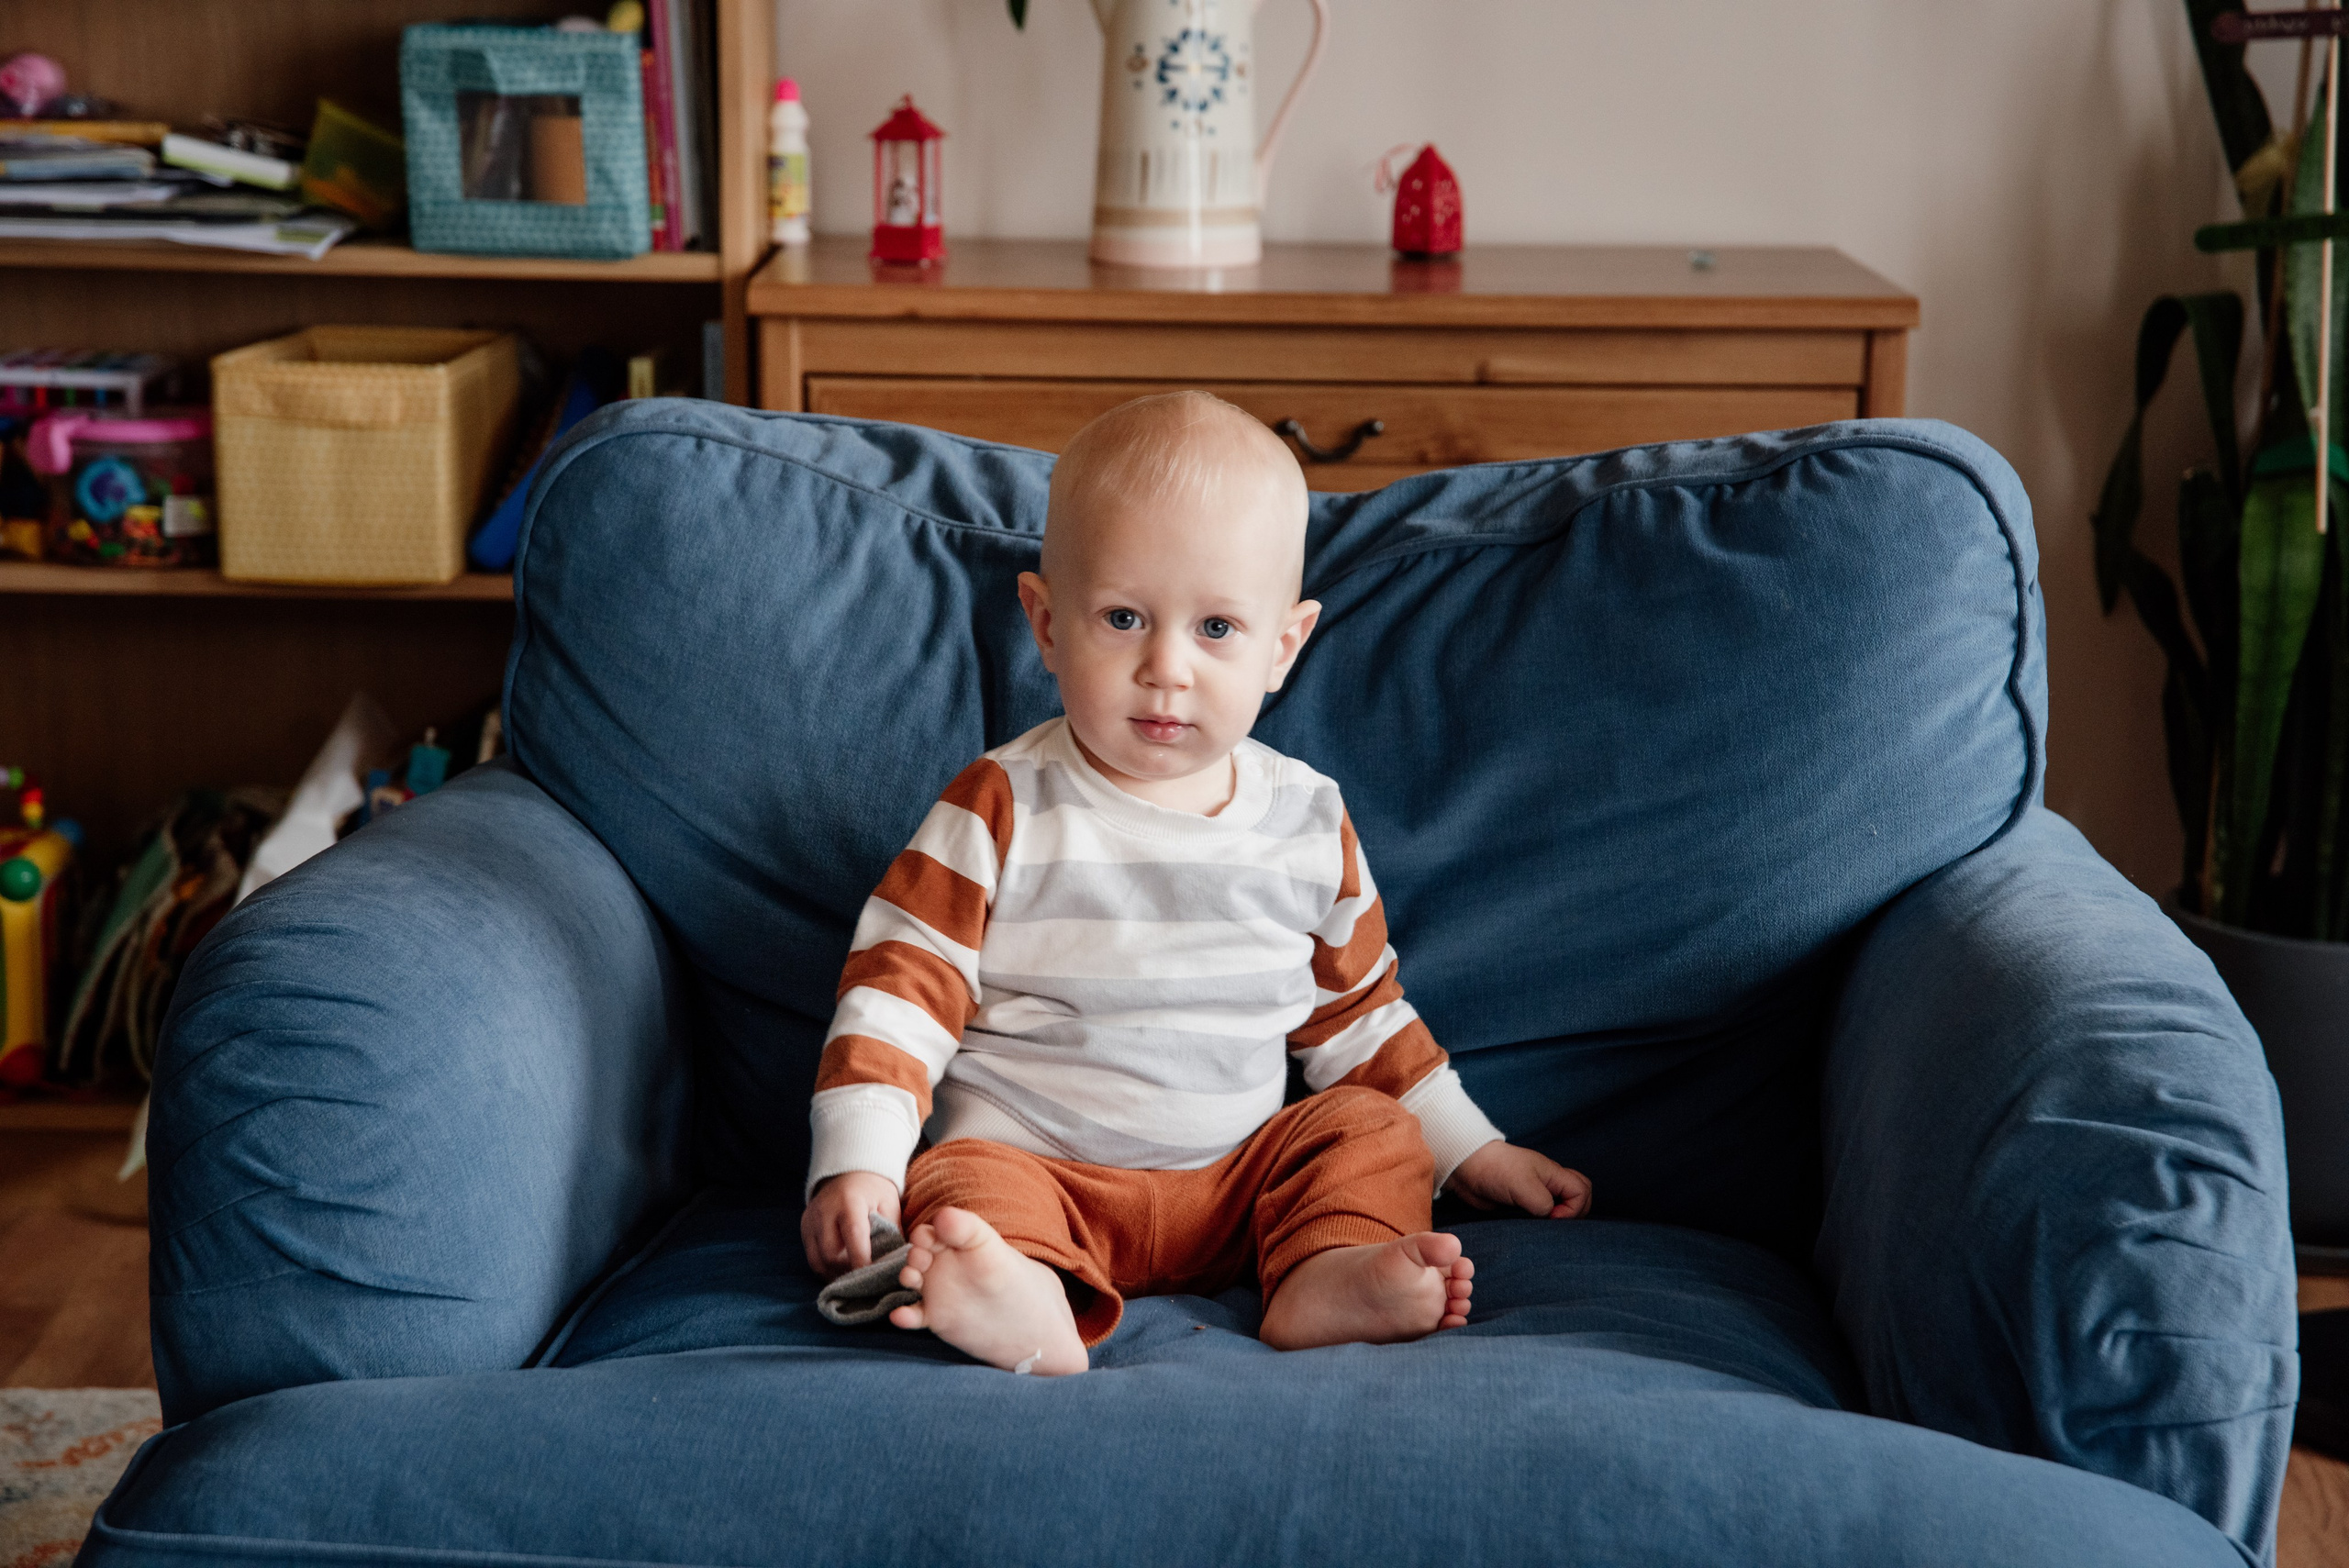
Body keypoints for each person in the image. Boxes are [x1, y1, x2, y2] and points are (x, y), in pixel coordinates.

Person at [800, 392, 1590, 1376]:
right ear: (1046, 625)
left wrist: (1476, 1151)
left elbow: (1360, 1019)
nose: (1165, 668)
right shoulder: (1002, 804)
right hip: (1041, 1167)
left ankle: (1324, 1271)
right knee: (958, 1186)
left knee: (1368, 1127)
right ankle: (1023, 1293)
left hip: (1238, 1186)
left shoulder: (1306, 818)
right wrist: (859, 1161)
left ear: (1283, 647)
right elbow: (898, 993)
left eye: (1216, 626)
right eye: (1123, 617)